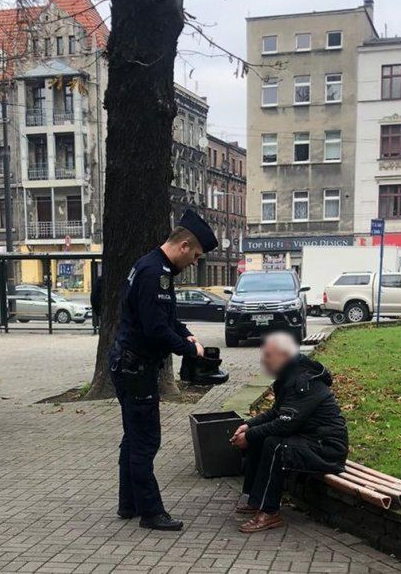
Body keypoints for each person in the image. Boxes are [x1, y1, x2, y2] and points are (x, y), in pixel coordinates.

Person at [108, 209, 218, 531]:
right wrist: (190, 350)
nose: (195, 262)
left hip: (130, 364)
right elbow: (156, 330)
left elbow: (164, 318)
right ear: (184, 245)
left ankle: (129, 503)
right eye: (195, 255)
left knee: (133, 438)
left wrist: (185, 333)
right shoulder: (154, 272)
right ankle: (151, 513)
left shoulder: (156, 267)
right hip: (135, 369)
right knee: (145, 441)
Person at [230, 331, 348, 533]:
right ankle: (256, 500)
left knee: (275, 445)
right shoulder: (288, 377)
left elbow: (286, 424)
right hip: (309, 440)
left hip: (327, 448)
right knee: (262, 437)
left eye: (268, 356)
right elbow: (278, 412)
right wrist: (249, 426)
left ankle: (269, 513)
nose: (264, 361)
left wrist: (249, 436)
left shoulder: (303, 382)